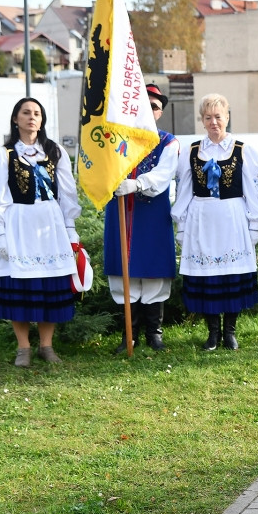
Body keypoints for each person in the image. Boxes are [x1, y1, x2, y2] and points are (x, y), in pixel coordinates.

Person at [0, 97, 81, 367]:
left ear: (42, 119)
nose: (32, 117)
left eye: (37, 113)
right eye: (26, 113)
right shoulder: (4, 154)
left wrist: (70, 228)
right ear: (16, 119)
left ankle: (46, 346)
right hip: (18, 224)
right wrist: (0, 233)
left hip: (51, 225)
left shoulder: (55, 151)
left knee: (50, 283)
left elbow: (67, 193)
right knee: (20, 285)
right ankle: (23, 348)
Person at [172, 93, 258, 350]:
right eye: (208, 117)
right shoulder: (192, 151)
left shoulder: (242, 149)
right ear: (202, 120)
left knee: (231, 273)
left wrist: (254, 223)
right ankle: (213, 332)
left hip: (232, 217)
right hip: (201, 219)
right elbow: (184, 189)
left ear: (227, 117)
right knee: (208, 276)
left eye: (218, 116)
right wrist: (181, 224)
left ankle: (230, 332)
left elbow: (254, 189)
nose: (213, 122)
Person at [105, 83, 180, 353]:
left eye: (155, 106)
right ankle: (129, 334)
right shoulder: (116, 138)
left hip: (152, 215)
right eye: (144, 104)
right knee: (122, 272)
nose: (149, 110)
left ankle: (153, 333)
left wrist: (137, 184)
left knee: (153, 271)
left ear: (160, 112)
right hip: (120, 213)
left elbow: (163, 174)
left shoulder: (168, 142)